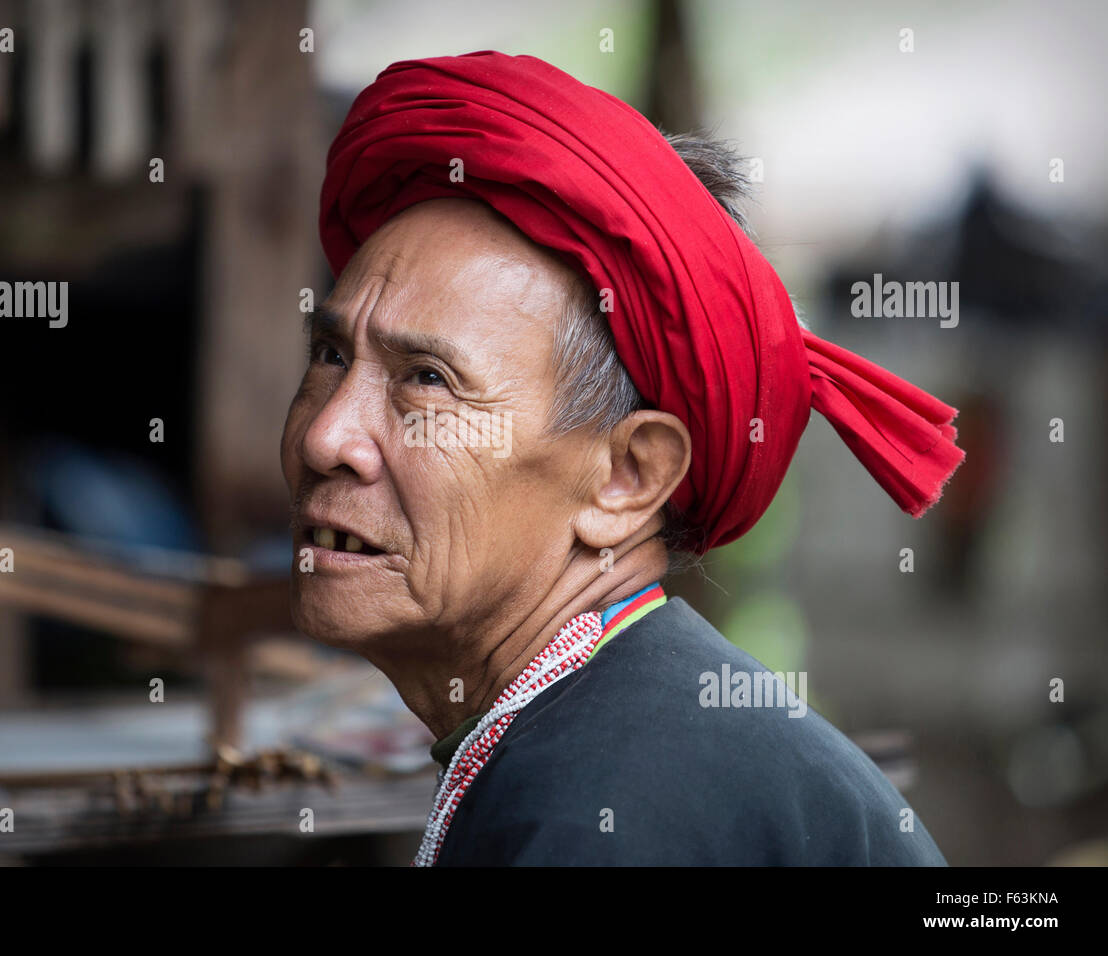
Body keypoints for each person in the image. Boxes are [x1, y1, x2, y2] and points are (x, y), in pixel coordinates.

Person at [282, 51, 962, 865]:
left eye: (426, 381)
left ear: (625, 478)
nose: (327, 437)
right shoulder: (599, 736)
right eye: (328, 354)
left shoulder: (598, 818)